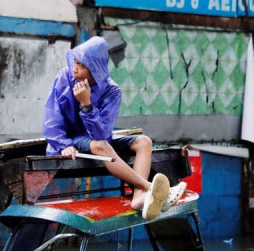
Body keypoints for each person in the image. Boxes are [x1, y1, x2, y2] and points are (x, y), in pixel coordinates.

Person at [42, 36, 186, 220]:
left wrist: (86, 105)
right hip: (72, 139)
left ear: (94, 69)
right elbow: (52, 117)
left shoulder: (112, 91)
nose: (75, 69)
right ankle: (149, 188)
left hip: (99, 139)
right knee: (101, 147)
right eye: (75, 63)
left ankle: (139, 196)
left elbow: (102, 133)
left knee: (144, 142)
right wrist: (63, 144)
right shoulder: (64, 78)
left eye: (82, 65)